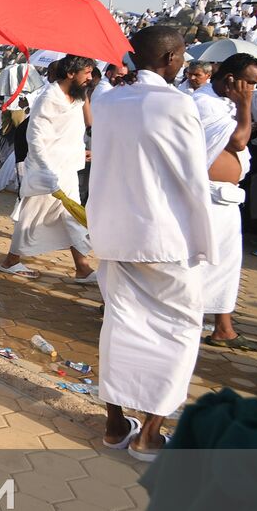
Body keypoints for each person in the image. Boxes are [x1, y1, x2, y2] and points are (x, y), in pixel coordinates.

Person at [89, 27, 214, 460]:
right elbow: (193, 178)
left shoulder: (105, 102)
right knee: (177, 332)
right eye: (181, 56)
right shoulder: (176, 103)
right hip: (165, 237)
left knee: (120, 327)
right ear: (170, 57)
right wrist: (203, 239)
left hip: (115, 234)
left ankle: (114, 423)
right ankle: (149, 434)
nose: (184, 63)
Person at [0, 57, 99, 282]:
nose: (90, 78)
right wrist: (45, 171)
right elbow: (35, 137)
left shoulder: (78, 98)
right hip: (47, 173)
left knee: (71, 216)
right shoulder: (49, 97)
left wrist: (79, 153)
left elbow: (69, 133)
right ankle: (10, 261)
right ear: (71, 73)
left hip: (68, 169)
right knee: (31, 217)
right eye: (87, 72)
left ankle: (82, 268)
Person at [192, 53, 257, 351]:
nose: (252, 90)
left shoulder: (223, 102)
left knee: (225, 265)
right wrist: (245, 106)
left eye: (256, 85)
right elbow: (238, 141)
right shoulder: (205, 103)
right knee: (200, 263)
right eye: (249, 83)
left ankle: (223, 328)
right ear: (232, 79)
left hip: (225, 197)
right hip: (208, 196)